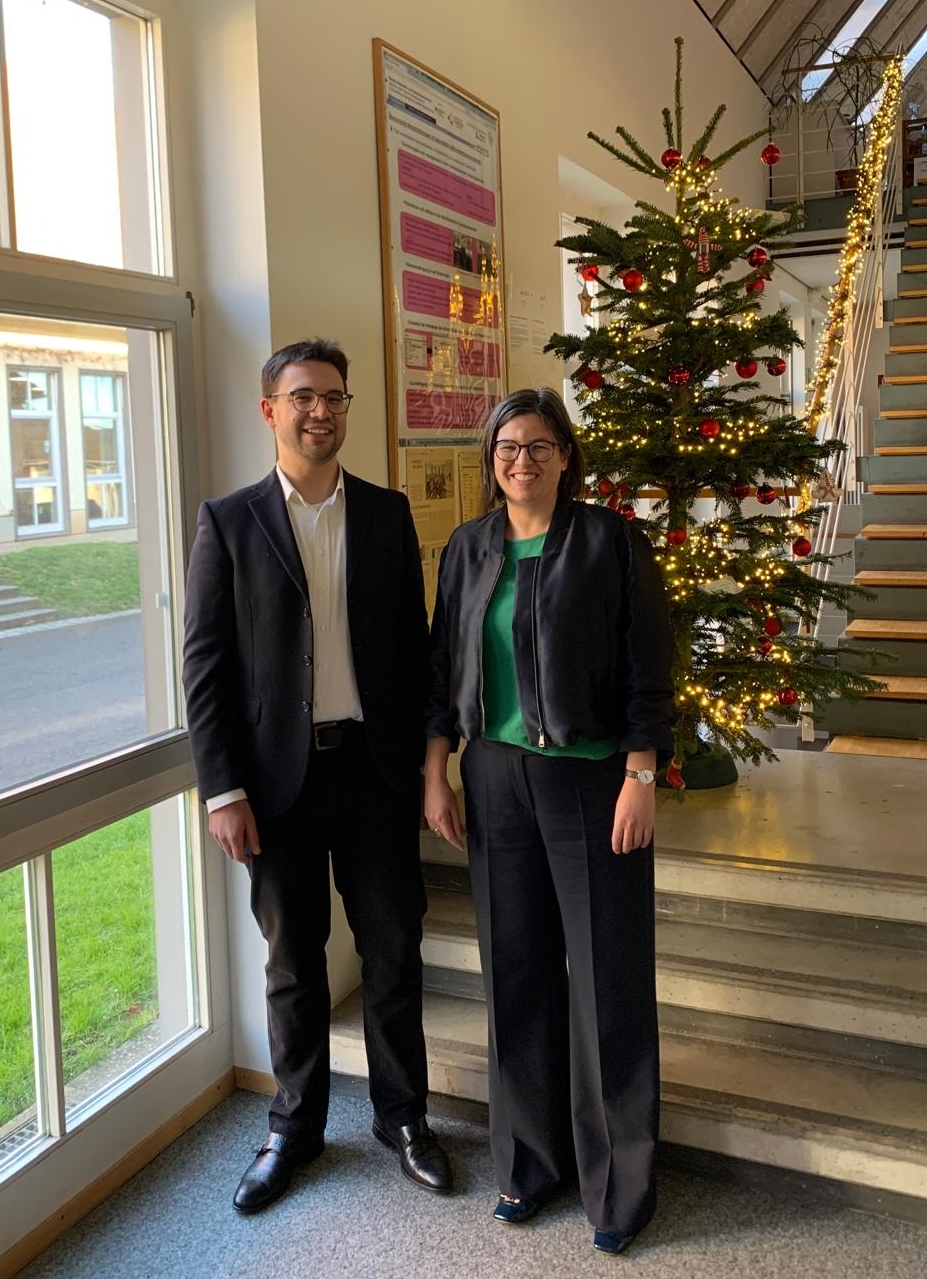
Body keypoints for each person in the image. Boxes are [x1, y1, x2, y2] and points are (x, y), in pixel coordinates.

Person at [183, 338, 451, 1213]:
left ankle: (403, 1118)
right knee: (292, 963)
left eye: (333, 396)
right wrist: (223, 790)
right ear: (271, 410)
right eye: (302, 397)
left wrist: (428, 765)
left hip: (375, 772)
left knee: (393, 953)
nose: (319, 411)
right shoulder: (228, 521)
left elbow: (413, 650)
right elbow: (206, 668)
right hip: (276, 788)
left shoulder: (386, 512)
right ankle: (293, 1128)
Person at [424, 387, 674, 1256]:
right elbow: (440, 671)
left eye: (537, 445)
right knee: (516, 970)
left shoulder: (610, 541)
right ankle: (530, 1162)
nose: (519, 460)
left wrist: (640, 773)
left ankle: (619, 1185)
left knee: (607, 978)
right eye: (505, 447)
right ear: (490, 460)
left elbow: (649, 669)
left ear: (566, 455)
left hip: (592, 779)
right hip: (494, 779)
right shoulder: (468, 547)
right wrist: (435, 770)